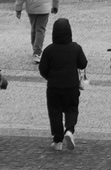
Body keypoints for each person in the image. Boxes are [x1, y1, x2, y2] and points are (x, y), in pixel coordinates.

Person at [38, 17, 89, 150]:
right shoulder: (75, 48)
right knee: (71, 109)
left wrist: (50, 77)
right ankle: (69, 130)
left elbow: (42, 69)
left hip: (54, 86)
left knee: (55, 112)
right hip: (71, 85)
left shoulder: (49, 50)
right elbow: (83, 63)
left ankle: (58, 140)